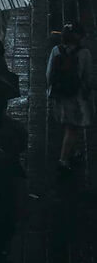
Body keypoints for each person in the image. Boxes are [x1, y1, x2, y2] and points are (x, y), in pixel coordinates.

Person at [46, 23, 94, 176]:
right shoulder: (84, 53)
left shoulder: (56, 51)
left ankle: (73, 150)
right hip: (76, 96)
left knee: (68, 125)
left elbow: (49, 75)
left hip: (60, 95)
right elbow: (88, 76)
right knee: (73, 127)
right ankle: (64, 159)